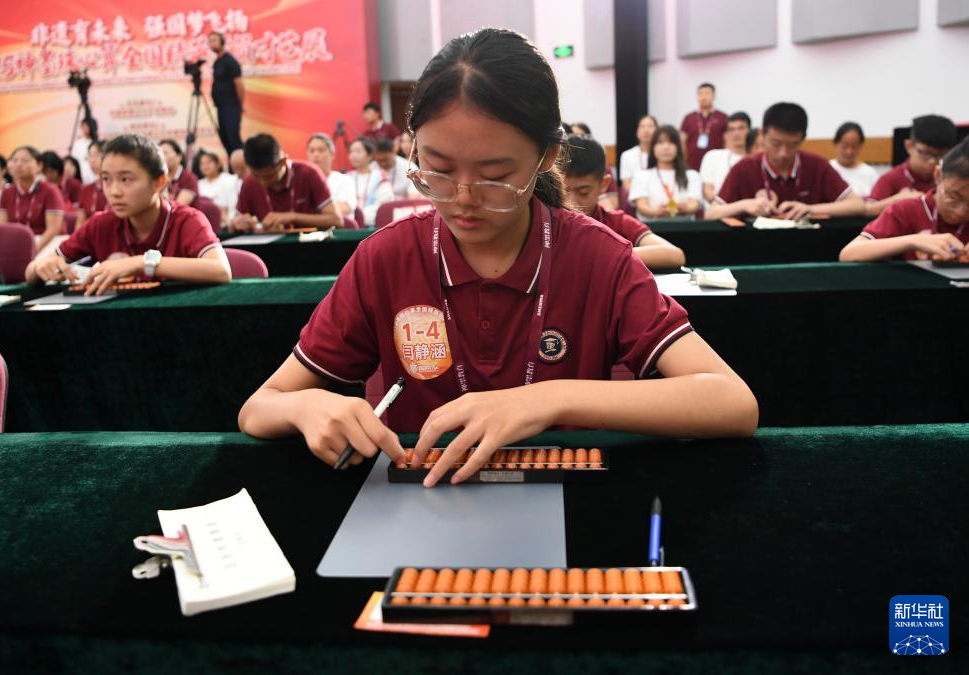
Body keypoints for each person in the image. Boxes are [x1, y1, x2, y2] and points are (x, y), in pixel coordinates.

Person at [238, 28, 757, 486]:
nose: (462, 199)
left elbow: (731, 402)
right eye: (438, 169)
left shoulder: (599, 258)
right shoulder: (386, 259)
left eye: (495, 176)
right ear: (413, 148)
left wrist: (550, 399)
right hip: (425, 494)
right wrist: (310, 406)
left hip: (567, 496)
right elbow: (259, 407)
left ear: (546, 156)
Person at [25, 134, 231, 294]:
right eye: (106, 179)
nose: (114, 191)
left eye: (126, 179)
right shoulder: (101, 224)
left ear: (159, 182)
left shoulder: (187, 220)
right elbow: (32, 270)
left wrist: (140, 263)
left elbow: (220, 270)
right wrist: (40, 269)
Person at [705, 102, 864, 220]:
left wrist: (810, 209)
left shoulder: (817, 165)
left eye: (792, 145)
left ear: (802, 139)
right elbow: (711, 213)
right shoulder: (744, 168)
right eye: (776, 143)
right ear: (763, 135)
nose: (783, 153)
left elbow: (857, 205)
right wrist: (745, 205)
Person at [839, 138, 969, 262]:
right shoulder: (905, 211)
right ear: (938, 175)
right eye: (954, 198)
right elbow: (849, 253)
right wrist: (913, 241)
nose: (962, 211)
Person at [564, 138, 685, 270]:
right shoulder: (549, 221)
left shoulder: (616, 222)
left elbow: (675, 255)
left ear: (604, 184)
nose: (571, 202)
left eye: (584, 192)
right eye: (563, 191)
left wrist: (605, 254)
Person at [232, 133, 342, 232]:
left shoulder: (309, 173)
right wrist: (237, 224)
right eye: (256, 176)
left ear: (283, 162)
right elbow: (235, 222)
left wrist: (293, 217)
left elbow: (336, 220)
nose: (262, 182)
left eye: (268, 176)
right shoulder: (249, 182)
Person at [866, 115, 957, 216]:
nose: (932, 161)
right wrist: (897, 200)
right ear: (909, 146)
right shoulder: (891, 178)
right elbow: (869, 209)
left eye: (941, 155)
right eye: (926, 153)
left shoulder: (951, 179)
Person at [0, 146, 64, 255]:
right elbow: (2, 227)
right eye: (15, 160)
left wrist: (32, 251)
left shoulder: (51, 190)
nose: (19, 164)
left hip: (46, 243)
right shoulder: (7, 192)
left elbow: (53, 229)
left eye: (25, 160)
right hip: (16, 243)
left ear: (39, 166)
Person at [630, 124, 703, 219]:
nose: (666, 147)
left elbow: (694, 204)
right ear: (653, 147)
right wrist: (657, 212)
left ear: (678, 147)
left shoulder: (692, 175)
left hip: (685, 225)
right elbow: (641, 205)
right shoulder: (641, 176)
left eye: (671, 142)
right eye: (660, 142)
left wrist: (685, 208)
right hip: (651, 226)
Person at [700, 112, 750, 203]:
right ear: (726, 133)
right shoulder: (712, 156)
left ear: (749, 131)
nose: (736, 133)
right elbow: (707, 191)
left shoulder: (756, 160)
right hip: (719, 208)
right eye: (732, 129)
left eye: (741, 128)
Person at [208, 31, 244, 155]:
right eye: (210, 41)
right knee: (225, 138)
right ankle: (231, 163)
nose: (211, 44)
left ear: (222, 42)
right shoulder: (217, 62)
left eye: (214, 40)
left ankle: (241, 162)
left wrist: (239, 105)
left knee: (233, 138)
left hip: (231, 106)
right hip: (221, 106)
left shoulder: (230, 61)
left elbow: (239, 84)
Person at [346, 138, 394, 226]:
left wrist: (360, 217)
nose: (354, 155)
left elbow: (383, 205)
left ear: (370, 155)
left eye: (358, 151)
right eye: (351, 152)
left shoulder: (380, 177)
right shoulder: (346, 177)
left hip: (373, 225)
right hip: (351, 225)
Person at [680, 83, 728, 171]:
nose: (704, 97)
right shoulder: (689, 117)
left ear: (714, 96)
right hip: (692, 164)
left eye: (707, 93)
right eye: (700, 93)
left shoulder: (723, 117)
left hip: (716, 164)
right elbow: (682, 142)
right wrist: (683, 162)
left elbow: (727, 141)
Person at [306, 133, 356, 216]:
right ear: (307, 155)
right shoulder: (302, 182)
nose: (316, 155)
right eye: (312, 151)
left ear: (332, 154)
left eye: (321, 150)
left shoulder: (345, 180)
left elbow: (345, 208)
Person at [197, 151, 240, 226]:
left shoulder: (230, 179)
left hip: (228, 223)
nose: (205, 166)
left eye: (209, 162)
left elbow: (234, 203)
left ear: (218, 164)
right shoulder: (198, 184)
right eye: (202, 164)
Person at [619, 115, 657, 193]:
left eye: (650, 126)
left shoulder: (662, 155)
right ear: (637, 132)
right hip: (635, 196)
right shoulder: (627, 155)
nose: (646, 130)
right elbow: (627, 185)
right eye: (642, 126)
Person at [158, 140, 198, 206]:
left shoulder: (189, 178)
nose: (161, 157)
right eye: (159, 154)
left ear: (179, 157)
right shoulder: (158, 177)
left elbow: (177, 207)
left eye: (165, 153)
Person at [78, 141, 108, 219]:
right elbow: (80, 223)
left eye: (97, 155)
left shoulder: (116, 189)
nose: (92, 160)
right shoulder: (86, 190)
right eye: (90, 156)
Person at [70, 118, 98, 184]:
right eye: (83, 126)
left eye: (86, 126)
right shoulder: (78, 143)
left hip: (95, 176)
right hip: (82, 177)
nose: (84, 128)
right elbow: (74, 161)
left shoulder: (98, 142)